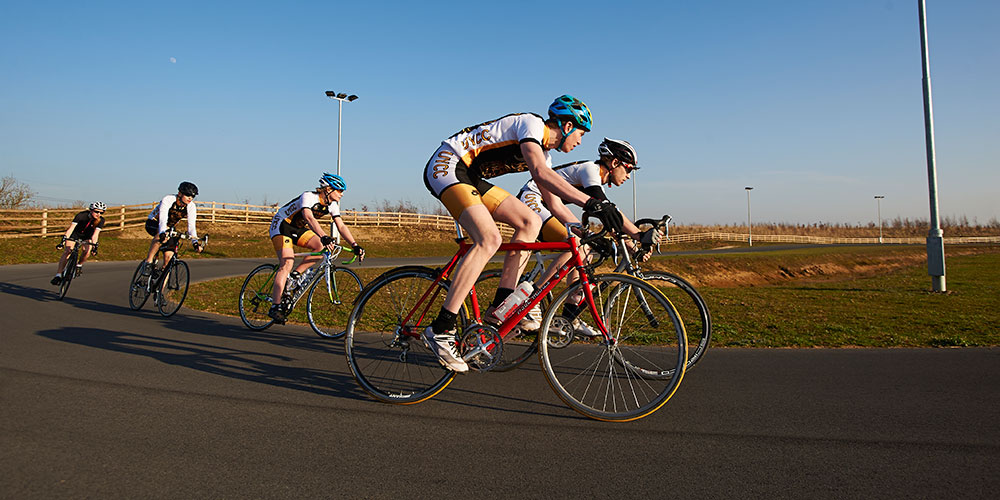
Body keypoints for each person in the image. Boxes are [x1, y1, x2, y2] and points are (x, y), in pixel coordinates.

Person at [420, 94, 624, 372]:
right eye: (580, 132)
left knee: (530, 221)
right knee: (489, 238)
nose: (580, 140)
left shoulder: (546, 155)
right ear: (566, 126)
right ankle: (441, 329)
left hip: (470, 175)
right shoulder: (532, 125)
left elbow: (551, 202)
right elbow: (539, 174)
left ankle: (500, 305)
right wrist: (591, 202)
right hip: (448, 164)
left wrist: (579, 229)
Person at [515, 138, 661, 333]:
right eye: (628, 169)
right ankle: (531, 298)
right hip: (532, 198)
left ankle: (569, 317)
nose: (628, 176)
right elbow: (608, 211)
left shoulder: (596, 177)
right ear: (614, 163)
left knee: (587, 253)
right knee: (578, 244)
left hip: (551, 205)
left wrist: (633, 243)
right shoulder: (590, 170)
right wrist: (637, 235)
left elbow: (609, 215)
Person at [266, 173, 365, 324]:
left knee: (320, 248)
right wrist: (324, 235)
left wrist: (355, 245)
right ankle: (275, 306)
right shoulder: (309, 197)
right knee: (287, 262)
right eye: (339, 190)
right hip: (282, 226)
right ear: (328, 189)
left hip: (297, 228)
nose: (342, 194)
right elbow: (309, 217)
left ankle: (294, 277)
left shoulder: (332, 205)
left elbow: (341, 226)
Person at [141, 181, 203, 276]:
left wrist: (195, 243)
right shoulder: (168, 199)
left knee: (169, 257)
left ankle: (161, 287)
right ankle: (148, 263)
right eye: (187, 195)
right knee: (162, 236)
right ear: (180, 194)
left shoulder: (191, 206)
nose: (190, 198)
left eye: (192, 196)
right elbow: (163, 218)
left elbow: (191, 226)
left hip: (169, 227)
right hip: (153, 222)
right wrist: (162, 232)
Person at [50, 201, 107, 285]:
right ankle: (58, 275)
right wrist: (63, 240)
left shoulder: (101, 220)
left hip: (87, 236)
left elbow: (95, 235)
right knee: (67, 251)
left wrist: (95, 246)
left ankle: (79, 265)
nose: (98, 214)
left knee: (87, 251)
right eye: (96, 211)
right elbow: (71, 228)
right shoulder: (81, 215)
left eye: (101, 212)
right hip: (75, 234)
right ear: (91, 210)